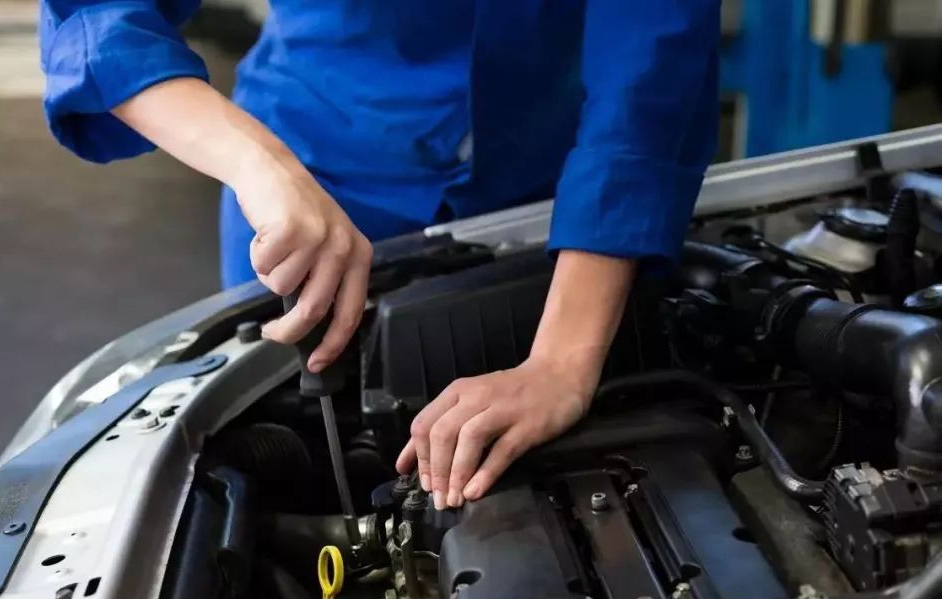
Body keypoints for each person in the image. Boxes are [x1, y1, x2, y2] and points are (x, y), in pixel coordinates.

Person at [39, 1, 719, 510]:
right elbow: (99, 15)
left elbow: (653, 46)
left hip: (555, 204)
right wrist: (258, 164)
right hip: (313, 190)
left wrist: (562, 363)